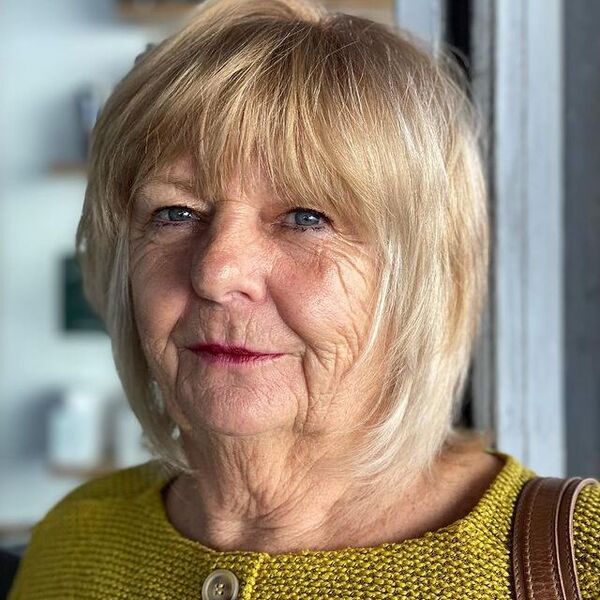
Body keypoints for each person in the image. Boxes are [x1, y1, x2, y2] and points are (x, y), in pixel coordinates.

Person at [8, 0, 599, 598]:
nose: (217, 272)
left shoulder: (579, 555)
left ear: (422, 271)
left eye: (306, 217)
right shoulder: (72, 542)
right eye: (175, 213)